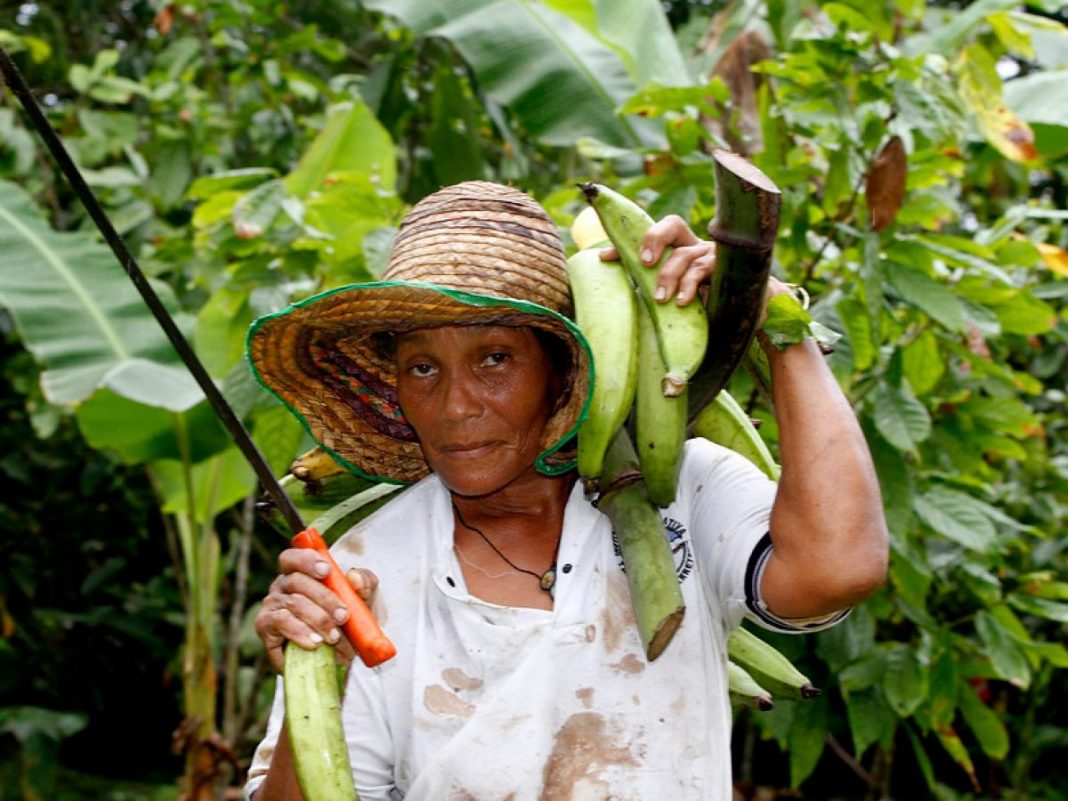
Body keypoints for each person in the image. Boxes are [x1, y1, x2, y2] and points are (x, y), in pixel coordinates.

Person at [243, 180, 888, 800]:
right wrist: (319, 679)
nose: (455, 406)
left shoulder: (681, 493)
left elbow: (837, 570)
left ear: (563, 368)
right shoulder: (364, 574)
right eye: (422, 368)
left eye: (494, 358)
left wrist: (776, 320)